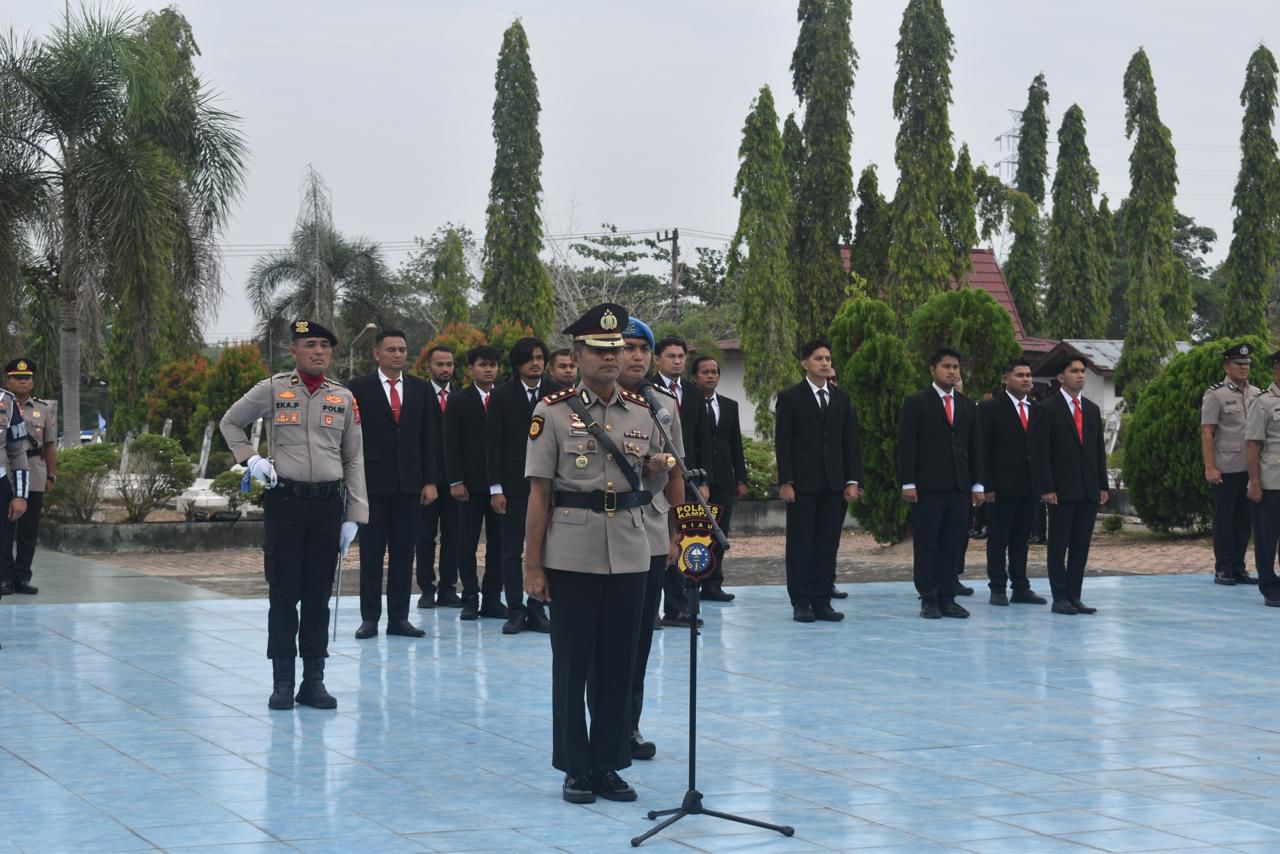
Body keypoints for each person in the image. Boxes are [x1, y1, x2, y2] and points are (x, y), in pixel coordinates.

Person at [524, 303, 670, 805]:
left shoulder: (643, 411)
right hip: (572, 552)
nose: (611, 358)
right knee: (571, 664)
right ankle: (574, 767)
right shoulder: (552, 411)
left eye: (618, 349)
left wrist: (654, 469)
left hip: (630, 549)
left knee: (617, 663)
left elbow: (655, 485)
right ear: (576, 354)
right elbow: (540, 495)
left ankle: (608, 764)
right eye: (599, 349)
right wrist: (532, 565)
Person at [221, 320, 368, 710]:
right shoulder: (274, 388)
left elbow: (354, 457)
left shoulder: (343, 397)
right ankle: (282, 680)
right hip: (285, 503)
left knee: (319, 598)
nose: (318, 351)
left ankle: (313, 680)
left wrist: (354, 514)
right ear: (294, 351)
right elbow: (230, 421)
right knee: (284, 595)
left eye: (324, 345)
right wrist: (250, 459)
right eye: (309, 345)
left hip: (326, 506)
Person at [596, 316, 683, 762]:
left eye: (642, 349)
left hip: (649, 532)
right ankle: (599, 730)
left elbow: (676, 474)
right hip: (599, 534)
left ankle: (629, 726)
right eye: (626, 348)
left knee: (638, 639)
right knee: (602, 640)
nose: (635, 357)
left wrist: (676, 534)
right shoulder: (587, 403)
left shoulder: (663, 404)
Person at [349, 330, 438, 640]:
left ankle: (399, 618)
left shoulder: (421, 389)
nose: (398, 354)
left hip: (410, 485)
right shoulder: (358, 388)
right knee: (371, 556)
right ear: (377, 354)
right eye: (391, 350)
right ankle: (370, 618)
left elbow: (430, 437)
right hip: (372, 485)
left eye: (402, 349)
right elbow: (351, 438)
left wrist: (430, 480)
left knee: (403, 555)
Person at [775, 339, 863, 623]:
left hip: (834, 484)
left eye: (827, 358)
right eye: (818, 358)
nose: (825, 363)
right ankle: (801, 601)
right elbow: (783, 443)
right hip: (802, 485)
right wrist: (786, 481)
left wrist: (853, 480)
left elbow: (850, 443)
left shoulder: (841, 398)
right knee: (801, 545)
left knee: (828, 545)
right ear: (805, 363)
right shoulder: (790, 397)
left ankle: (822, 600)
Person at [899, 347, 984, 620]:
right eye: (946, 366)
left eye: (956, 367)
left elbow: (976, 448)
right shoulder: (917, 403)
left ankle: (948, 597)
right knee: (927, 544)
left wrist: (978, 485)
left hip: (959, 486)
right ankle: (929, 598)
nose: (952, 372)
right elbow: (907, 445)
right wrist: (908, 482)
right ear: (933, 370)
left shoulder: (968, 405)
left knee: (953, 543)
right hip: (927, 487)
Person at [486, 337, 556, 634]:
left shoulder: (558, 393)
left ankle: (537, 608)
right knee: (511, 550)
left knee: (544, 550)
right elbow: (492, 444)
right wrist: (495, 488)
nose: (536, 363)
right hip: (513, 486)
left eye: (540, 357)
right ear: (518, 364)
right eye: (530, 358)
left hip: (549, 485)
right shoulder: (501, 395)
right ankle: (515, 609)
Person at [1033, 355, 1109, 615]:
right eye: (1074, 371)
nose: (1080, 375)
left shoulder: (1090, 409)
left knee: (1081, 544)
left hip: (1087, 488)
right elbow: (1040, 452)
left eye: (1082, 371)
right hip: (1061, 490)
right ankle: (1060, 597)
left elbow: (1098, 450)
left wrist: (1102, 484)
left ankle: (1075, 596)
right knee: (1058, 545)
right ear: (1060, 376)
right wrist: (1046, 487)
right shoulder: (1046, 408)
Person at [653, 336, 712, 627]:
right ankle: (649, 609)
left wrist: (703, 479)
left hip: (687, 479)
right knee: (655, 543)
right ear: (657, 359)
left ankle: (678, 607)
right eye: (671, 356)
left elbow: (703, 439)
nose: (677, 361)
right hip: (655, 478)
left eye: (681, 356)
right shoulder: (646, 389)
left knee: (684, 541)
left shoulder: (693, 392)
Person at [979, 359, 1047, 606]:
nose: (1026, 379)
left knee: (1021, 539)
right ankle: (997, 587)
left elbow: (1040, 450)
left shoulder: (1037, 409)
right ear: (1006, 378)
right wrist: (987, 486)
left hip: (1029, 486)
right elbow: (983, 450)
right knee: (998, 538)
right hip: (1001, 486)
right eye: (1020, 375)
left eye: (1029, 375)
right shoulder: (990, 409)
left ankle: (1021, 586)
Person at [445, 344, 505, 621]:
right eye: (483, 365)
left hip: (499, 486)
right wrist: (455, 481)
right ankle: (470, 596)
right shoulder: (458, 400)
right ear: (471, 369)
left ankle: (493, 598)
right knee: (466, 544)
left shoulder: (504, 398)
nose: (488, 369)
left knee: (499, 544)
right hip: (468, 486)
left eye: (492, 365)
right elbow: (451, 444)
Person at [1203, 343, 1262, 586]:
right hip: (1226, 467)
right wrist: (1210, 467)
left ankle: (1239, 567)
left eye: (1247, 364)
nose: (1244, 368)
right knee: (1225, 519)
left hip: (1251, 468)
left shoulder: (1256, 393)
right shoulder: (1216, 394)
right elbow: (1207, 432)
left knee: (1243, 521)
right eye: (1239, 364)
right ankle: (1223, 568)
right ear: (1226, 366)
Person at [690, 354, 747, 603]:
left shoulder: (729, 405)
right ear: (695, 377)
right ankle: (691, 584)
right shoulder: (688, 405)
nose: (711, 376)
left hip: (723, 477)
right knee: (695, 532)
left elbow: (736, 444)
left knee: (719, 532)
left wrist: (740, 478)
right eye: (705, 372)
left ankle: (713, 584)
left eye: (714, 372)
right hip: (697, 476)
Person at [0, 358, 52, 596]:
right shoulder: (7, 403)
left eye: (27, 378)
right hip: (8, 472)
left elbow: (47, 445)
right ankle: (6, 577)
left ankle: (20, 576)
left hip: (30, 472)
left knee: (27, 530)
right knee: (7, 530)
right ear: (8, 379)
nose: (23, 381)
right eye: (18, 377)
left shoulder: (37, 407)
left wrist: (52, 475)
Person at [416, 345, 462, 608]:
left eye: (449, 364)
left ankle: (448, 588)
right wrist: (425, 479)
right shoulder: (420, 395)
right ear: (429, 367)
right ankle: (426, 588)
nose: (445, 369)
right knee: (424, 536)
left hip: (455, 480)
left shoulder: (460, 396)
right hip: (427, 480)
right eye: (440, 364)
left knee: (453, 536)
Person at [1246, 350, 1280, 607]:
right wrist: (1255, 482)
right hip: (1270, 480)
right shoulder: (1263, 402)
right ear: (1276, 370)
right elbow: (1253, 445)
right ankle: (1269, 587)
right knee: (1267, 538)